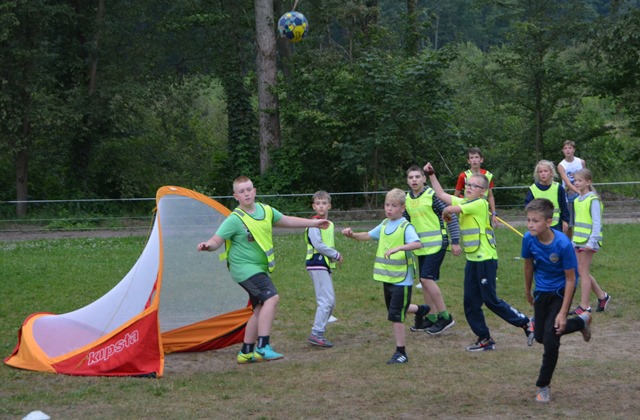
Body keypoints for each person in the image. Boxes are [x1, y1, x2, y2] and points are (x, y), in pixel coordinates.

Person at [197, 176, 329, 364]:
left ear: (254, 191)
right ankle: (263, 347)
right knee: (271, 298)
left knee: (259, 309)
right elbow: (216, 240)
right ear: (235, 196)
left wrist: (314, 223)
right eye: (241, 191)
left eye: (248, 189)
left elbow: (287, 220)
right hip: (243, 269)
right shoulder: (235, 219)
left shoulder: (266, 210)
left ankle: (246, 352)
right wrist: (207, 246)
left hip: (259, 268)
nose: (246, 193)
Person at [424, 162, 533, 351]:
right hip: (473, 260)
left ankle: (526, 322)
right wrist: (432, 174)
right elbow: (441, 195)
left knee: (490, 300)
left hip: (485, 259)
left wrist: (446, 211)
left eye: (474, 186)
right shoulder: (466, 202)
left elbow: (450, 209)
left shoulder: (480, 204)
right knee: (470, 302)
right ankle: (485, 339)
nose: (469, 187)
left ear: (483, 191)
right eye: (467, 184)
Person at [522, 198, 592, 403]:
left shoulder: (562, 244)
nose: (530, 225)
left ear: (548, 222)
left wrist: (562, 313)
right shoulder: (528, 239)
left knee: (551, 339)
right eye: (528, 220)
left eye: (535, 221)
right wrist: (528, 290)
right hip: (541, 291)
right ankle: (581, 322)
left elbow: (571, 279)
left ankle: (543, 386)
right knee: (541, 336)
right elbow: (528, 266)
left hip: (562, 290)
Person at [341, 188, 422, 364]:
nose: (389, 209)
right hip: (388, 277)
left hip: (402, 279)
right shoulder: (385, 224)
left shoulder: (405, 226)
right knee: (395, 310)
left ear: (403, 208)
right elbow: (367, 235)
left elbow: (417, 244)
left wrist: (399, 248)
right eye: (387, 205)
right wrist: (352, 235)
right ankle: (421, 310)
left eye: (394, 206)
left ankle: (401, 352)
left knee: (396, 315)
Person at [404, 165, 462, 335]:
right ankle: (431, 317)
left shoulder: (432, 195)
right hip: (421, 247)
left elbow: (451, 217)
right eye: (411, 177)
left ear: (424, 178)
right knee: (424, 281)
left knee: (426, 278)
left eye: (417, 176)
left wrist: (455, 241)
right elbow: (405, 223)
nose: (414, 180)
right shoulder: (407, 199)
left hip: (437, 243)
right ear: (407, 181)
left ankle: (445, 317)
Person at [305, 190, 343, 348]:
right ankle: (317, 333)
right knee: (326, 301)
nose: (321, 206)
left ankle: (318, 330)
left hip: (324, 265)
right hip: (316, 263)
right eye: (318, 203)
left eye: (324, 203)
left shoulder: (329, 224)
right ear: (314, 206)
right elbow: (318, 245)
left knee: (330, 302)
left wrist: (332, 260)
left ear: (329, 206)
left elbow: (326, 244)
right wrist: (336, 254)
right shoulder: (314, 224)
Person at [571, 168, 610, 315]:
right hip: (578, 240)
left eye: (580, 180)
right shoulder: (576, 200)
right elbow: (578, 223)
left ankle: (584, 306)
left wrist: (591, 242)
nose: (577, 183)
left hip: (589, 242)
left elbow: (596, 223)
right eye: (575, 180)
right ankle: (602, 296)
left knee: (583, 272)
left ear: (588, 182)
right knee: (582, 271)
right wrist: (574, 241)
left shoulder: (593, 199)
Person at [454, 147, 499, 227]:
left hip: (482, 211)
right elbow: (455, 196)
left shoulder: (488, 175)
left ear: (481, 160)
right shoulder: (463, 176)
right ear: (468, 161)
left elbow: (490, 196)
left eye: (476, 157)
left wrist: (494, 214)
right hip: (468, 211)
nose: (474, 160)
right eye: (471, 158)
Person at [524, 160, 569, 233]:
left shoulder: (558, 187)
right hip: (539, 225)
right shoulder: (533, 189)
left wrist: (565, 220)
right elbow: (528, 207)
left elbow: (564, 205)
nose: (543, 174)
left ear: (551, 173)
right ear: (537, 174)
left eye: (545, 171)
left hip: (556, 224)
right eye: (540, 172)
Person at [557, 140, 586, 239]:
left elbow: (585, 177)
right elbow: (568, 183)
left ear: (573, 149)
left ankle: (581, 241)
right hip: (568, 197)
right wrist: (578, 192)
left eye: (570, 148)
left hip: (582, 196)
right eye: (565, 148)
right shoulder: (561, 165)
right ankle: (568, 243)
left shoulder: (581, 162)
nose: (567, 150)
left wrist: (585, 192)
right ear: (563, 151)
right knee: (569, 223)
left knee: (581, 220)